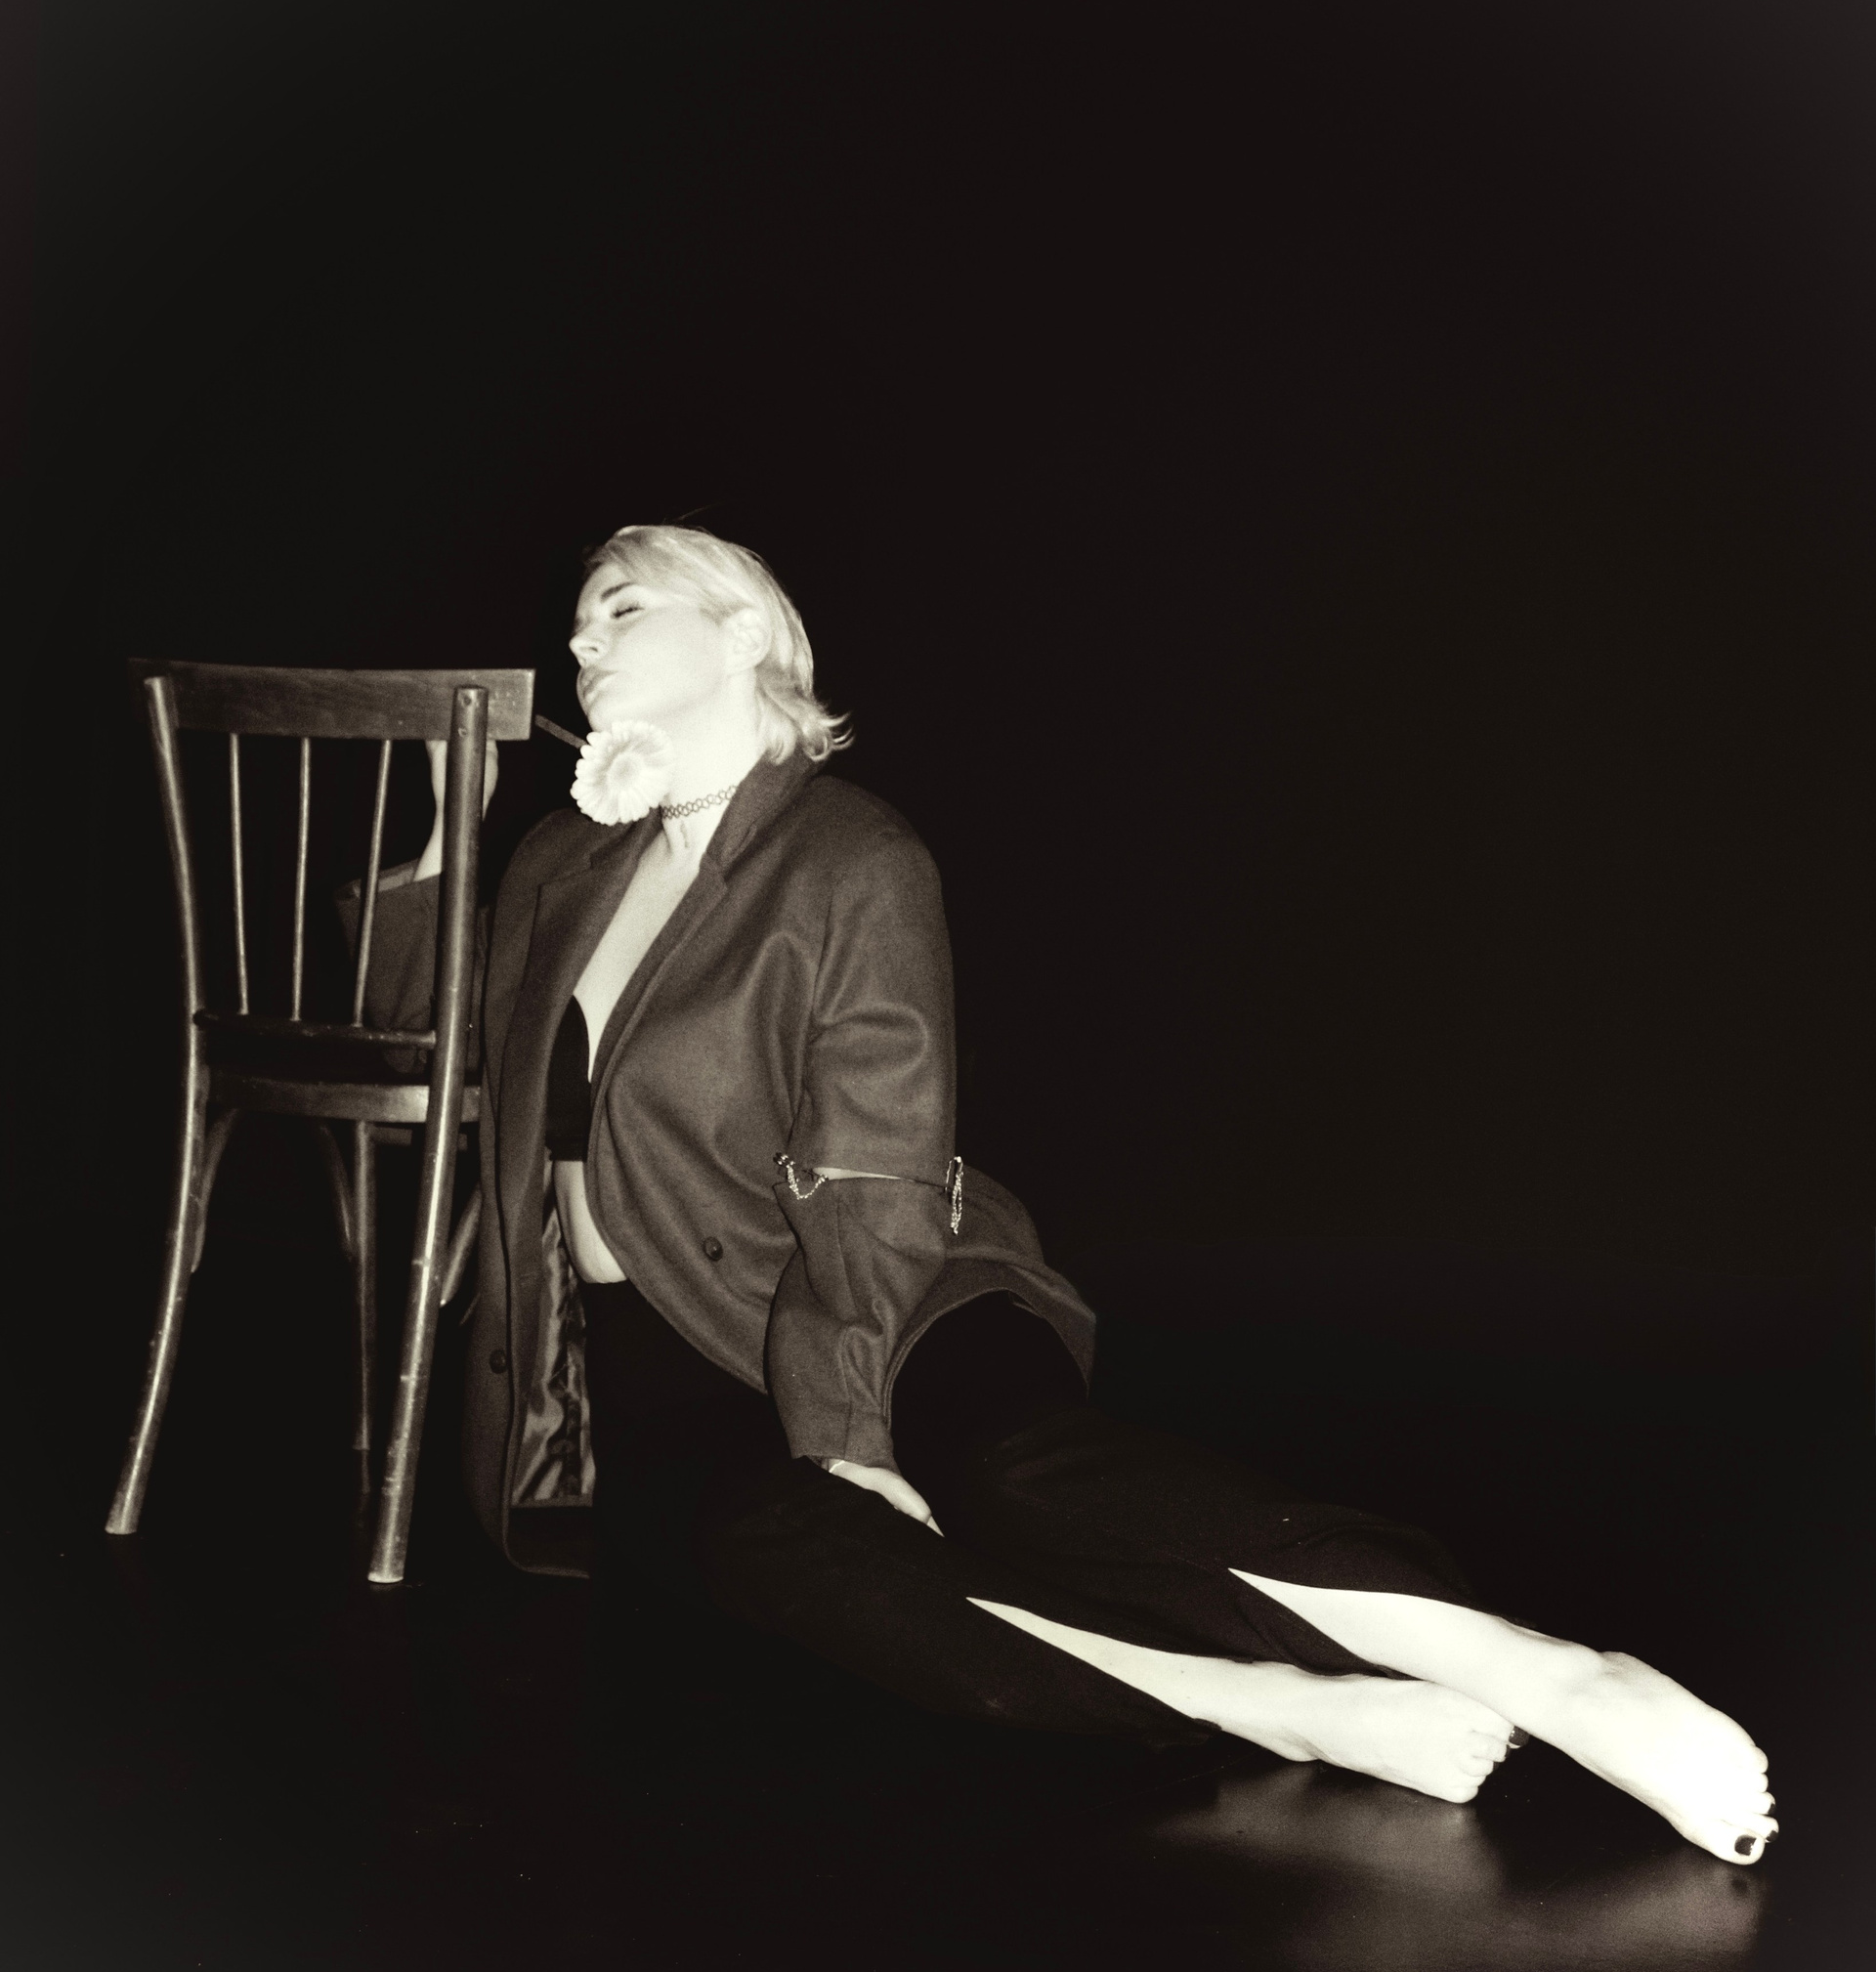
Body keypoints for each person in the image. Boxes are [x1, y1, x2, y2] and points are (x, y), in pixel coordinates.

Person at [345, 523, 1776, 1866]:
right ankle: (1270, 1706)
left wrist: (843, 1424)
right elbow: (418, 1035)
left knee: (1013, 1471)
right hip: (654, 1361)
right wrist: (445, 840)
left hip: (891, 1287)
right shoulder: (566, 860)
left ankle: (1547, 1671)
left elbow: (875, 1170)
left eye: (620, 608)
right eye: (577, 627)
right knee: (790, 1562)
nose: (582, 643)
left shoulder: (850, 855)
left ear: (741, 634)